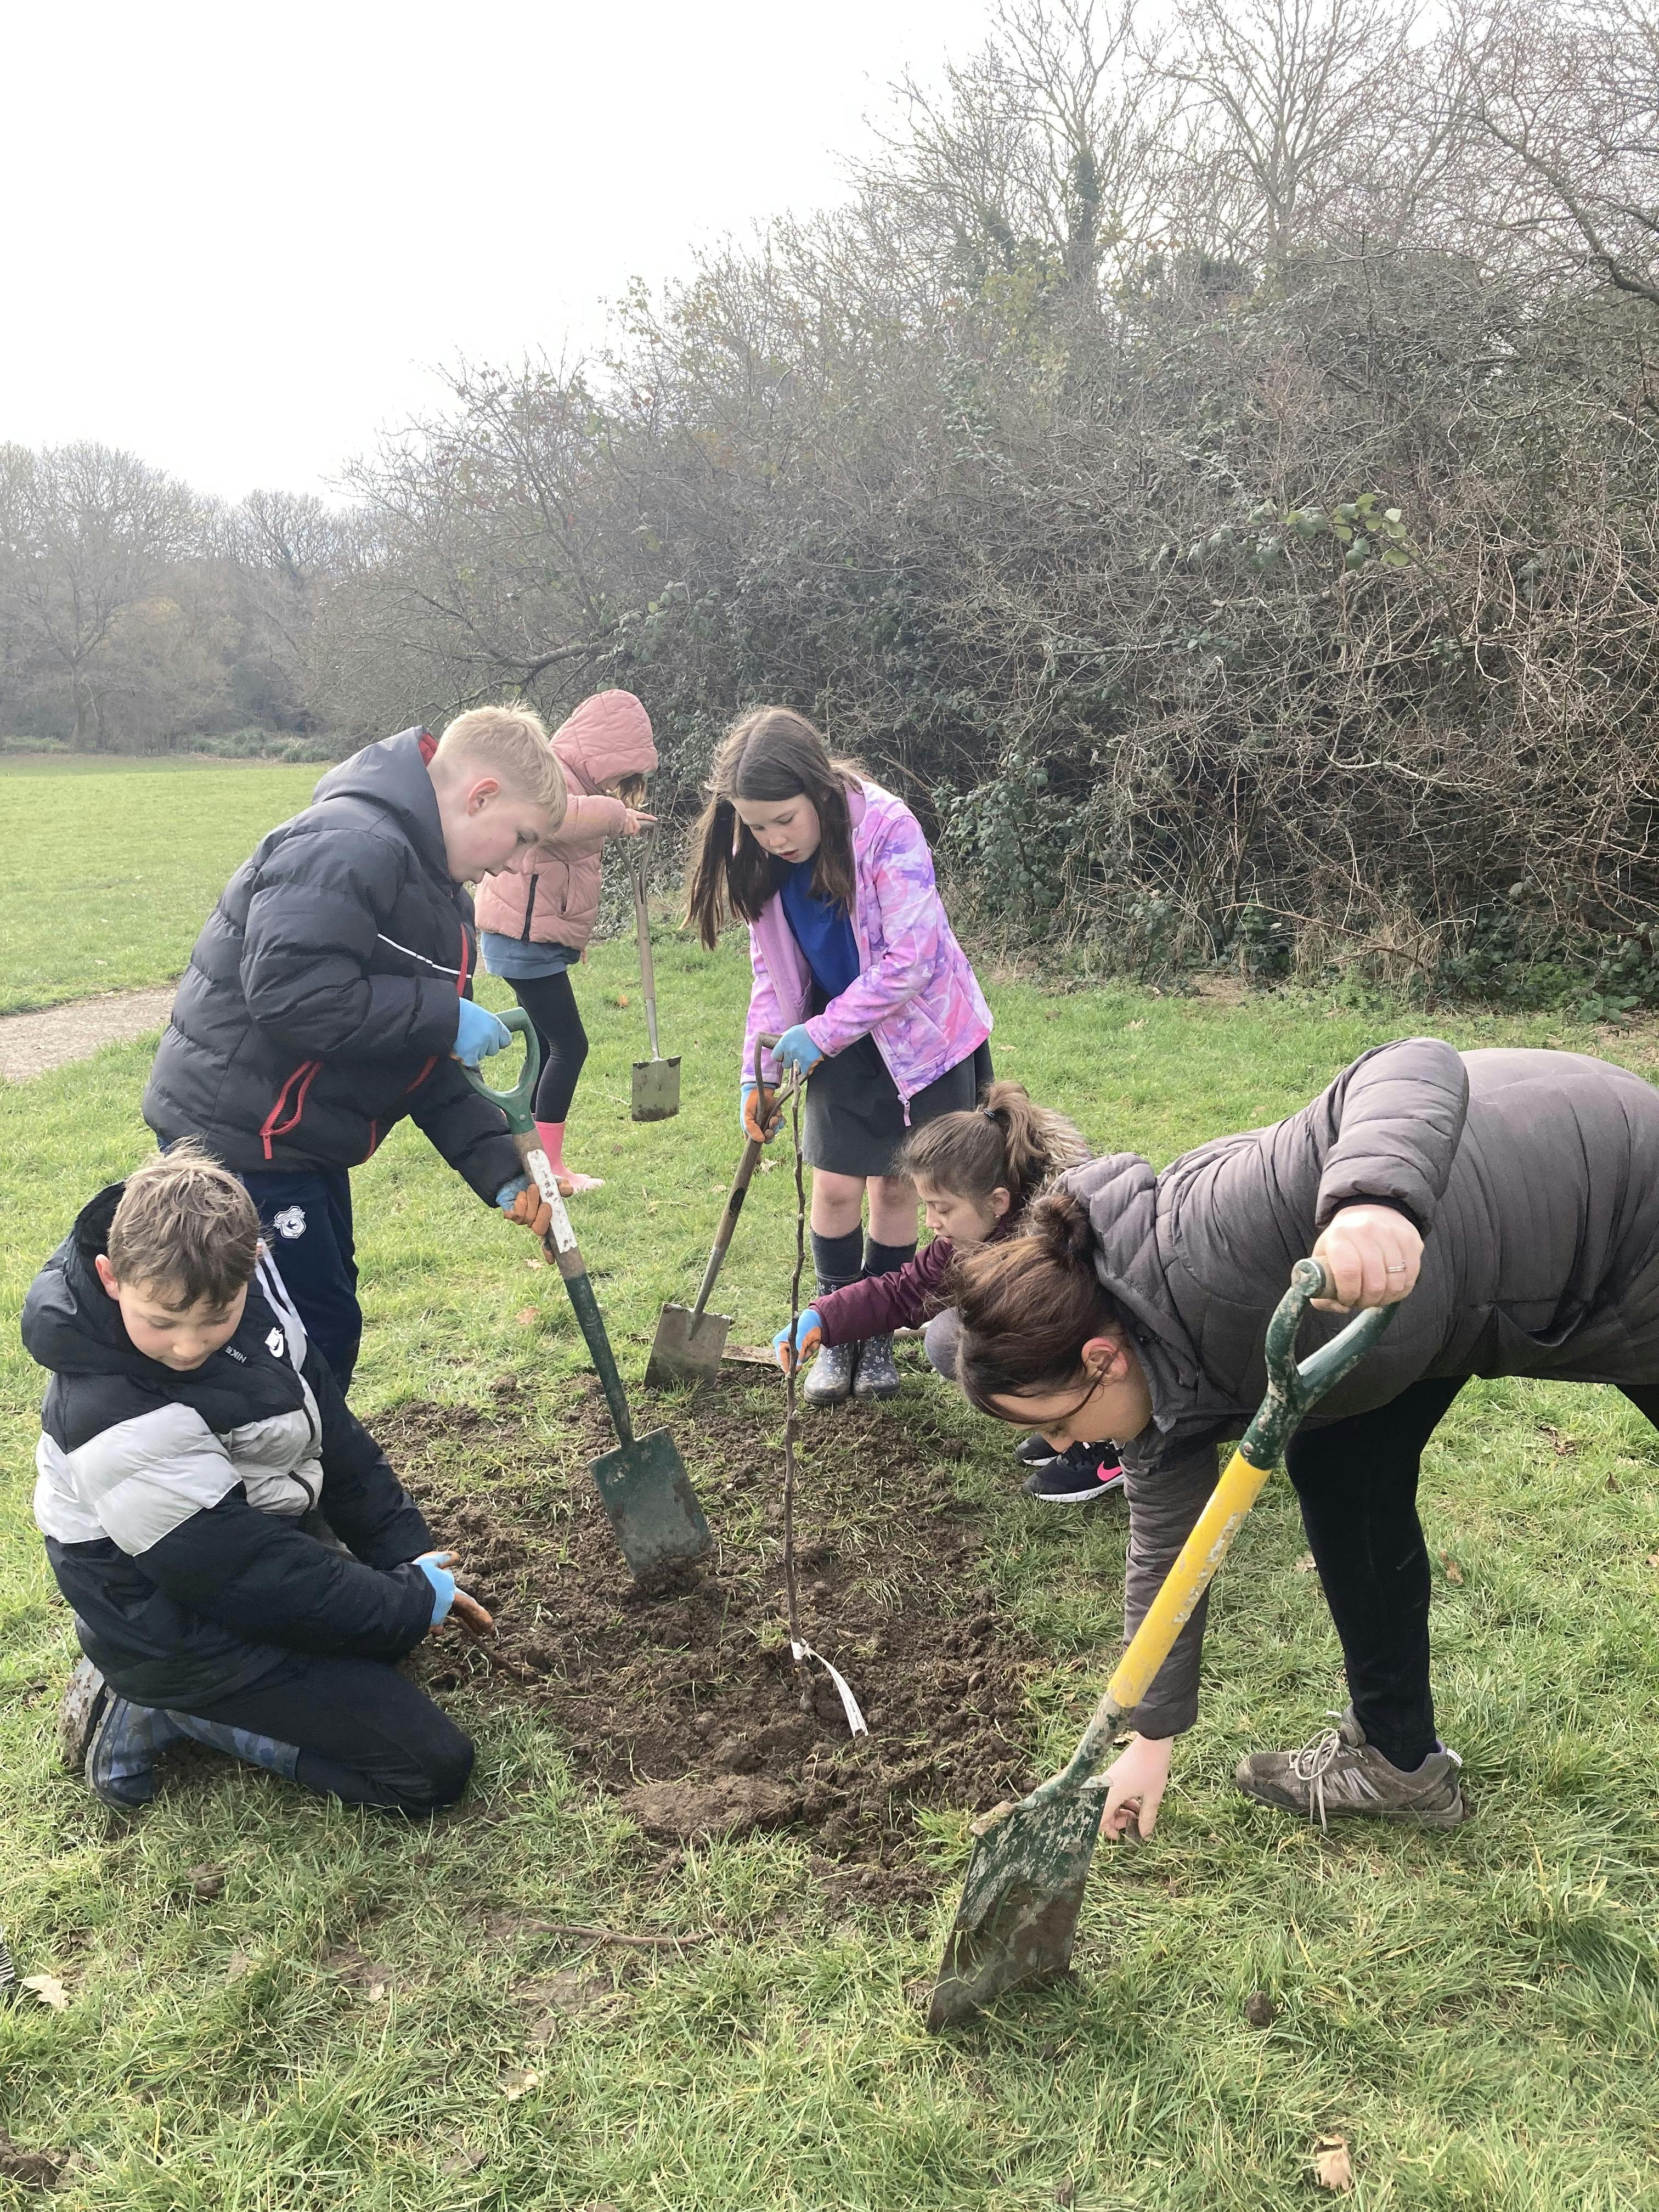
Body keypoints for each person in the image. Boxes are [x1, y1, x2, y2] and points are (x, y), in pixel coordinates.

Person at [949, 1038, 1659, 1836]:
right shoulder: (1146, 1372)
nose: (1061, 1447)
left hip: (1609, 1191)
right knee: (1340, 1467)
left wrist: (1374, 1204)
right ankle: (1400, 1764)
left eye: (1056, 1424)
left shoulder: (1214, 1231)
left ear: (1100, 1360)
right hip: (1450, 1287)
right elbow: (1168, 1558)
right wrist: (1150, 1739)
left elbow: (1414, 1063)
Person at [27, 1147, 488, 1816]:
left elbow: (333, 1429)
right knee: (430, 1770)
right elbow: (242, 1574)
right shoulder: (105, 1411)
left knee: (386, 1636)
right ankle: (160, 1708)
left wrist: (406, 1557)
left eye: (216, 1317)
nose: (189, 1346)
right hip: (174, 1621)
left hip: (243, 1545)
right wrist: (407, 1601)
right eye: (162, 1322)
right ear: (110, 1276)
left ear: (253, 1267)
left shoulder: (257, 1297)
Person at [142, 705, 568, 1392]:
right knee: (287, 1336)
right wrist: (439, 1012)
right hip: (241, 1141)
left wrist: (499, 1166)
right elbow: (287, 991)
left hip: (299, 1141)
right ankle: (268, 1487)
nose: (515, 864)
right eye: (520, 838)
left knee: (324, 1323)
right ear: (480, 795)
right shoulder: (349, 844)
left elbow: (411, 1055)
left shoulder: (431, 890)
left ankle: (303, 1476)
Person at [687, 707, 994, 1406]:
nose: (772, 837)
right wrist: (756, 1076)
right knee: (833, 1186)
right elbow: (774, 977)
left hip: (923, 1035)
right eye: (756, 824)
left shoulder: (888, 828)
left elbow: (911, 961)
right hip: (833, 1034)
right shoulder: (756, 855)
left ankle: (877, 1335)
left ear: (818, 790)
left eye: (783, 820)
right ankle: (834, 1334)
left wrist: (822, 1033)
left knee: (897, 1186)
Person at [770, 1082, 1118, 1501]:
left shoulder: (1057, 1239)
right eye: (927, 1208)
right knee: (948, 1338)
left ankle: (1105, 1443)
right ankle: (1058, 1414)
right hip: (1068, 1339)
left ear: (999, 1202)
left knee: (986, 1343)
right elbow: (903, 1293)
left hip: (1111, 1346)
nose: (933, 1223)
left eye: (943, 1209)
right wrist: (823, 1318)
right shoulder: (968, 1236)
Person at [473, 689, 659, 1193]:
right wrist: (616, 817)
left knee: (547, 1044)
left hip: (528, 940)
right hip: (522, 941)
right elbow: (552, 818)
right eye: (624, 779)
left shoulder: (572, 777)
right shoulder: (548, 772)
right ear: (611, 752)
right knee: (568, 1045)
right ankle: (548, 1165)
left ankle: (532, 1157)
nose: (622, 791)